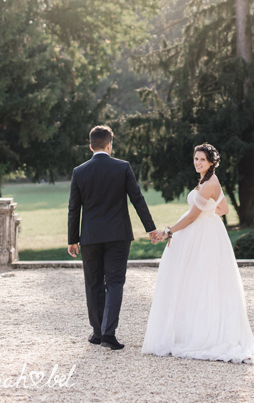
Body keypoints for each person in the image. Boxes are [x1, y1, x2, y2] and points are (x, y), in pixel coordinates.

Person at [142, 143, 254, 364]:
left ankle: (199, 333)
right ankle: (190, 328)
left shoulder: (208, 184)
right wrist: (208, 213)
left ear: (211, 162)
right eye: (195, 159)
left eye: (202, 160)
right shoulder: (210, 181)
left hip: (202, 236)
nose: (197, 162)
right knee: (200, 280)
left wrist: (168, 231)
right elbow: (224, 209)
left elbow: (190, 217)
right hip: (208, 231)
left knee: (200, 280)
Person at [68, 125, 158, 351]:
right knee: (115, 283)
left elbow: (73, 209)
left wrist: (72, 239)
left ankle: (97, 333)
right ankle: (109, 333)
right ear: (110, 145)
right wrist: (150, 228)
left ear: (90, 146)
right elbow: (137, 198)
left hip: (89, 237)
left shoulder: (79, 172)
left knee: (93, 284)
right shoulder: (123, 167)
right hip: (118, 236)